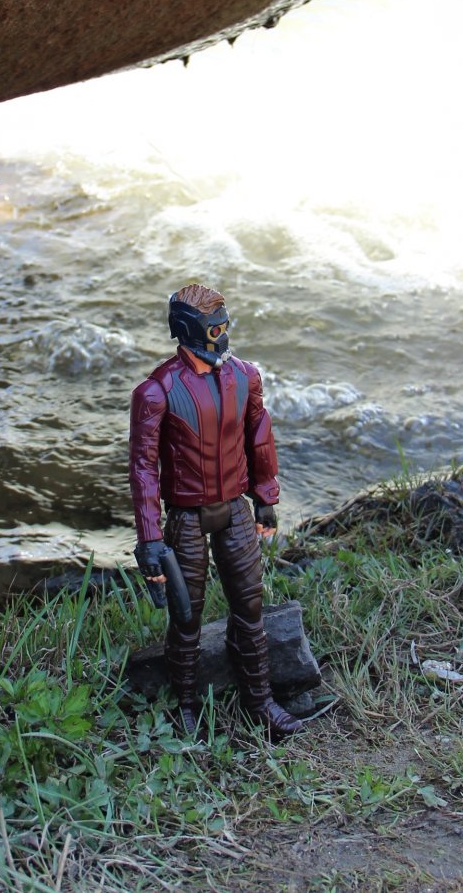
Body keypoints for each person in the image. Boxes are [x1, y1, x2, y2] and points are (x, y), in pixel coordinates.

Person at [129, 282, 302, 738]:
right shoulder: (156, 391)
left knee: (250, 605)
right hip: (185, 517)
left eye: (225, 324)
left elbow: (259, 435)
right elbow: (143, 469)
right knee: (187, 617)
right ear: (189, 329)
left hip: (237, 510)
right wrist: (148, 538)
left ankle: (259, 701)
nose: (222, 334)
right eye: (214, 327)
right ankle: (186, 709)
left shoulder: (245, 375)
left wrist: (266, 495)